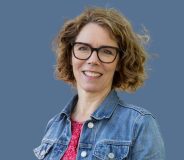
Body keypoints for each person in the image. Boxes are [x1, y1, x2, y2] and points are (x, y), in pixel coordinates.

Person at [34, 7, 165, 160]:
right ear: (70, 55)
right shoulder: (54, 125)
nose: (93, 60)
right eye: (83, 48)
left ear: (119, 62)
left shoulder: (139, 124)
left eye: (106, 51)